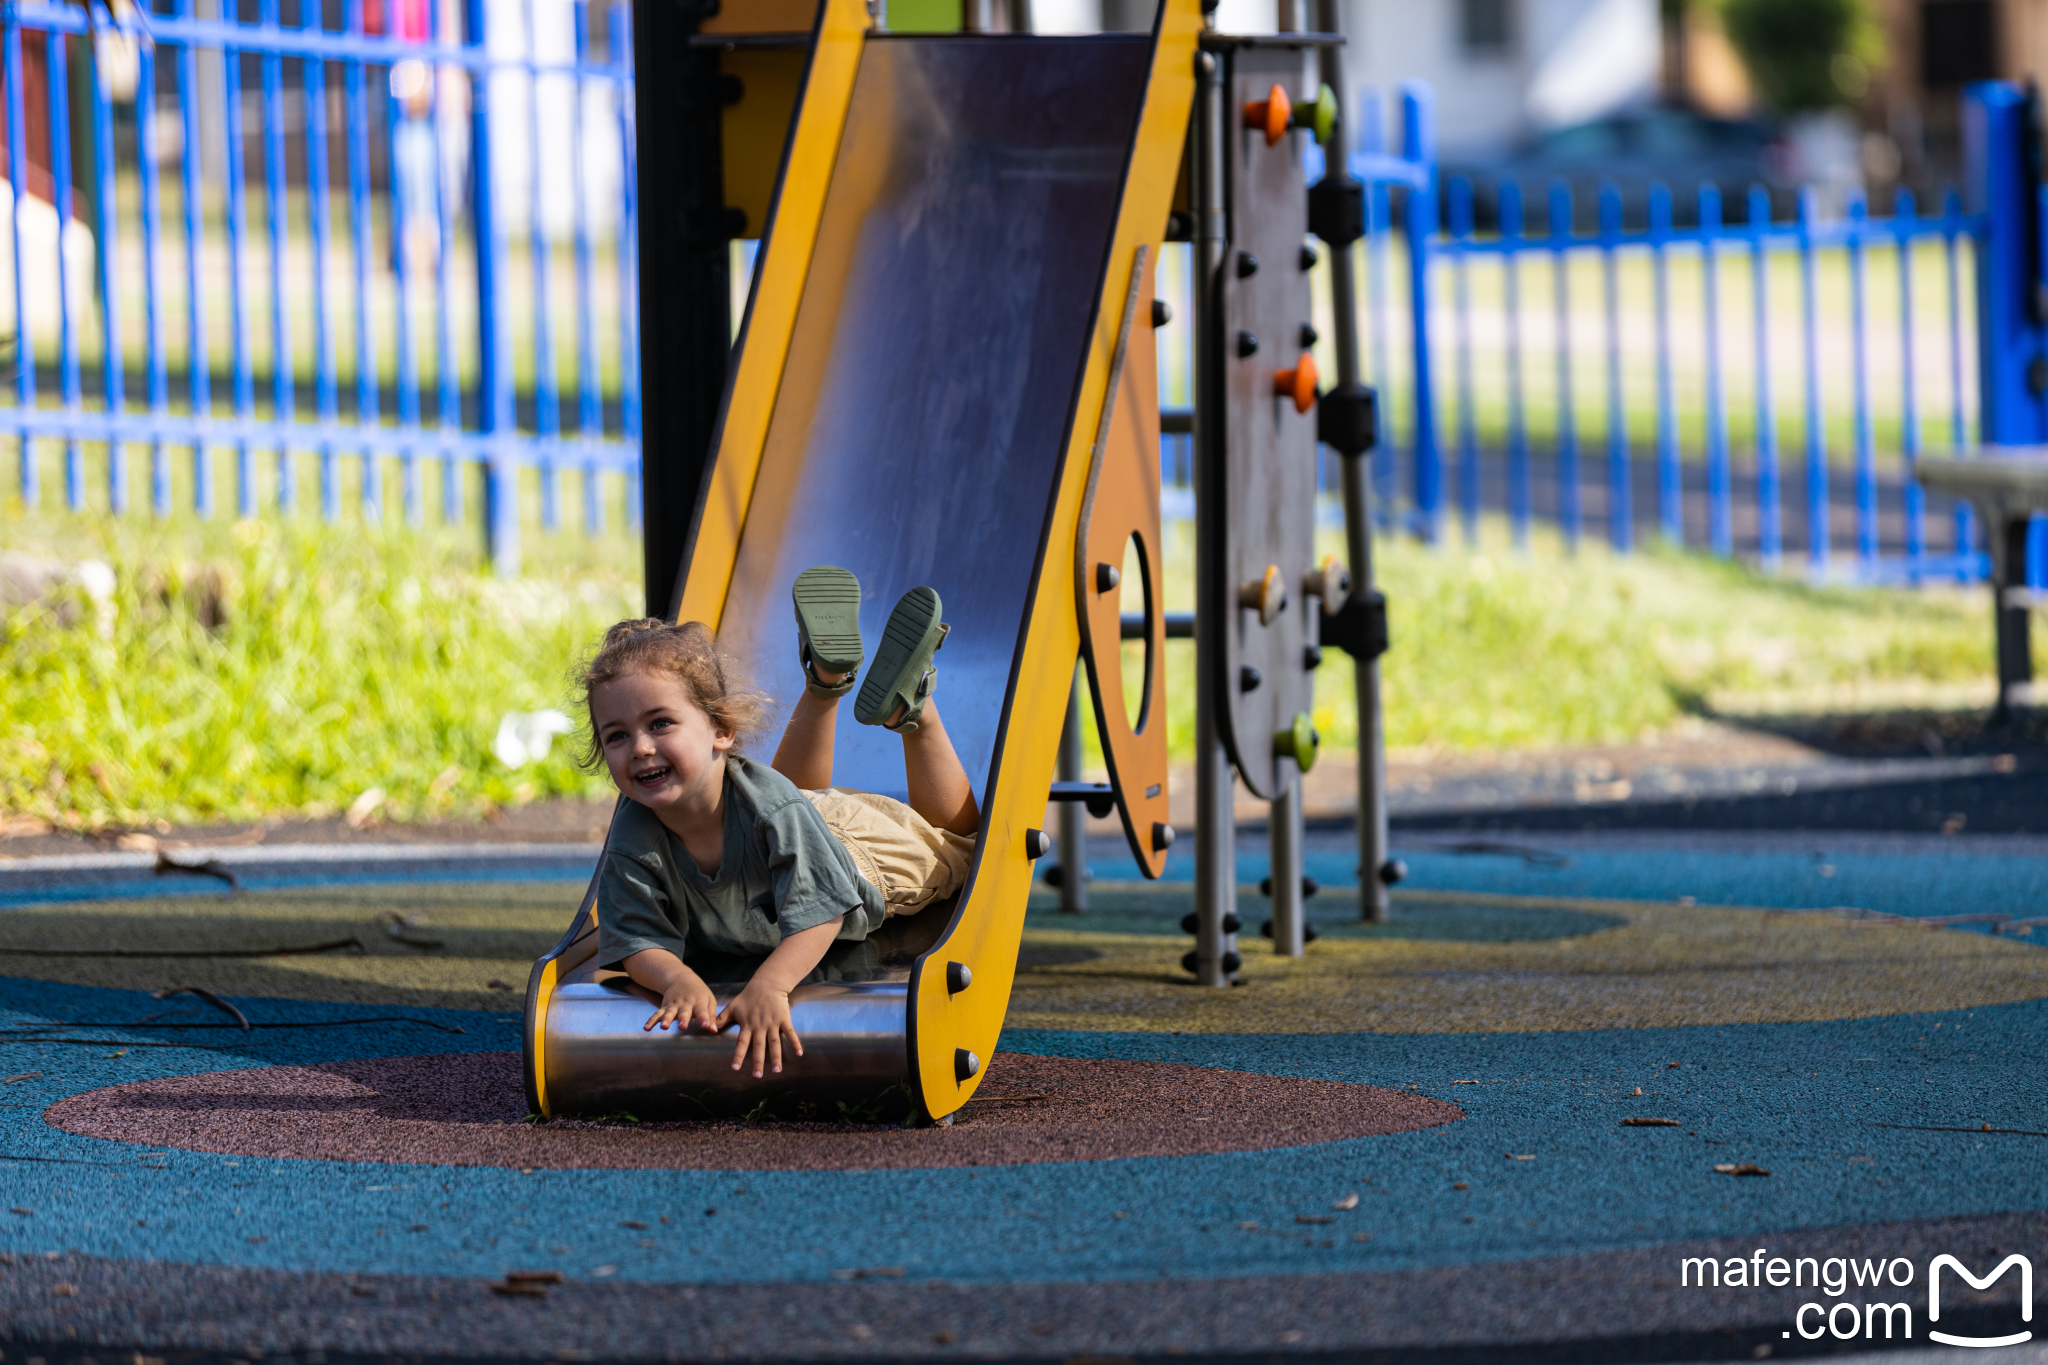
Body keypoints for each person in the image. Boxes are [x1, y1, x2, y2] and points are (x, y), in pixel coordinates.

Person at [579, 567, 980, 1081]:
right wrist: (675, 977)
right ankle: (825, 680)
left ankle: (913, 708)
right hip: (791, 822)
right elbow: (635, 940)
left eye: (660, 723)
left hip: (860, 856)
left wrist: (770, 986)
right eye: (616, 736)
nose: (639, 747)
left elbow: (821, 915)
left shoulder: (772, 808)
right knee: (788, 801)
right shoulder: (635, 835)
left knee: (961, 850)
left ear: (721, 730)